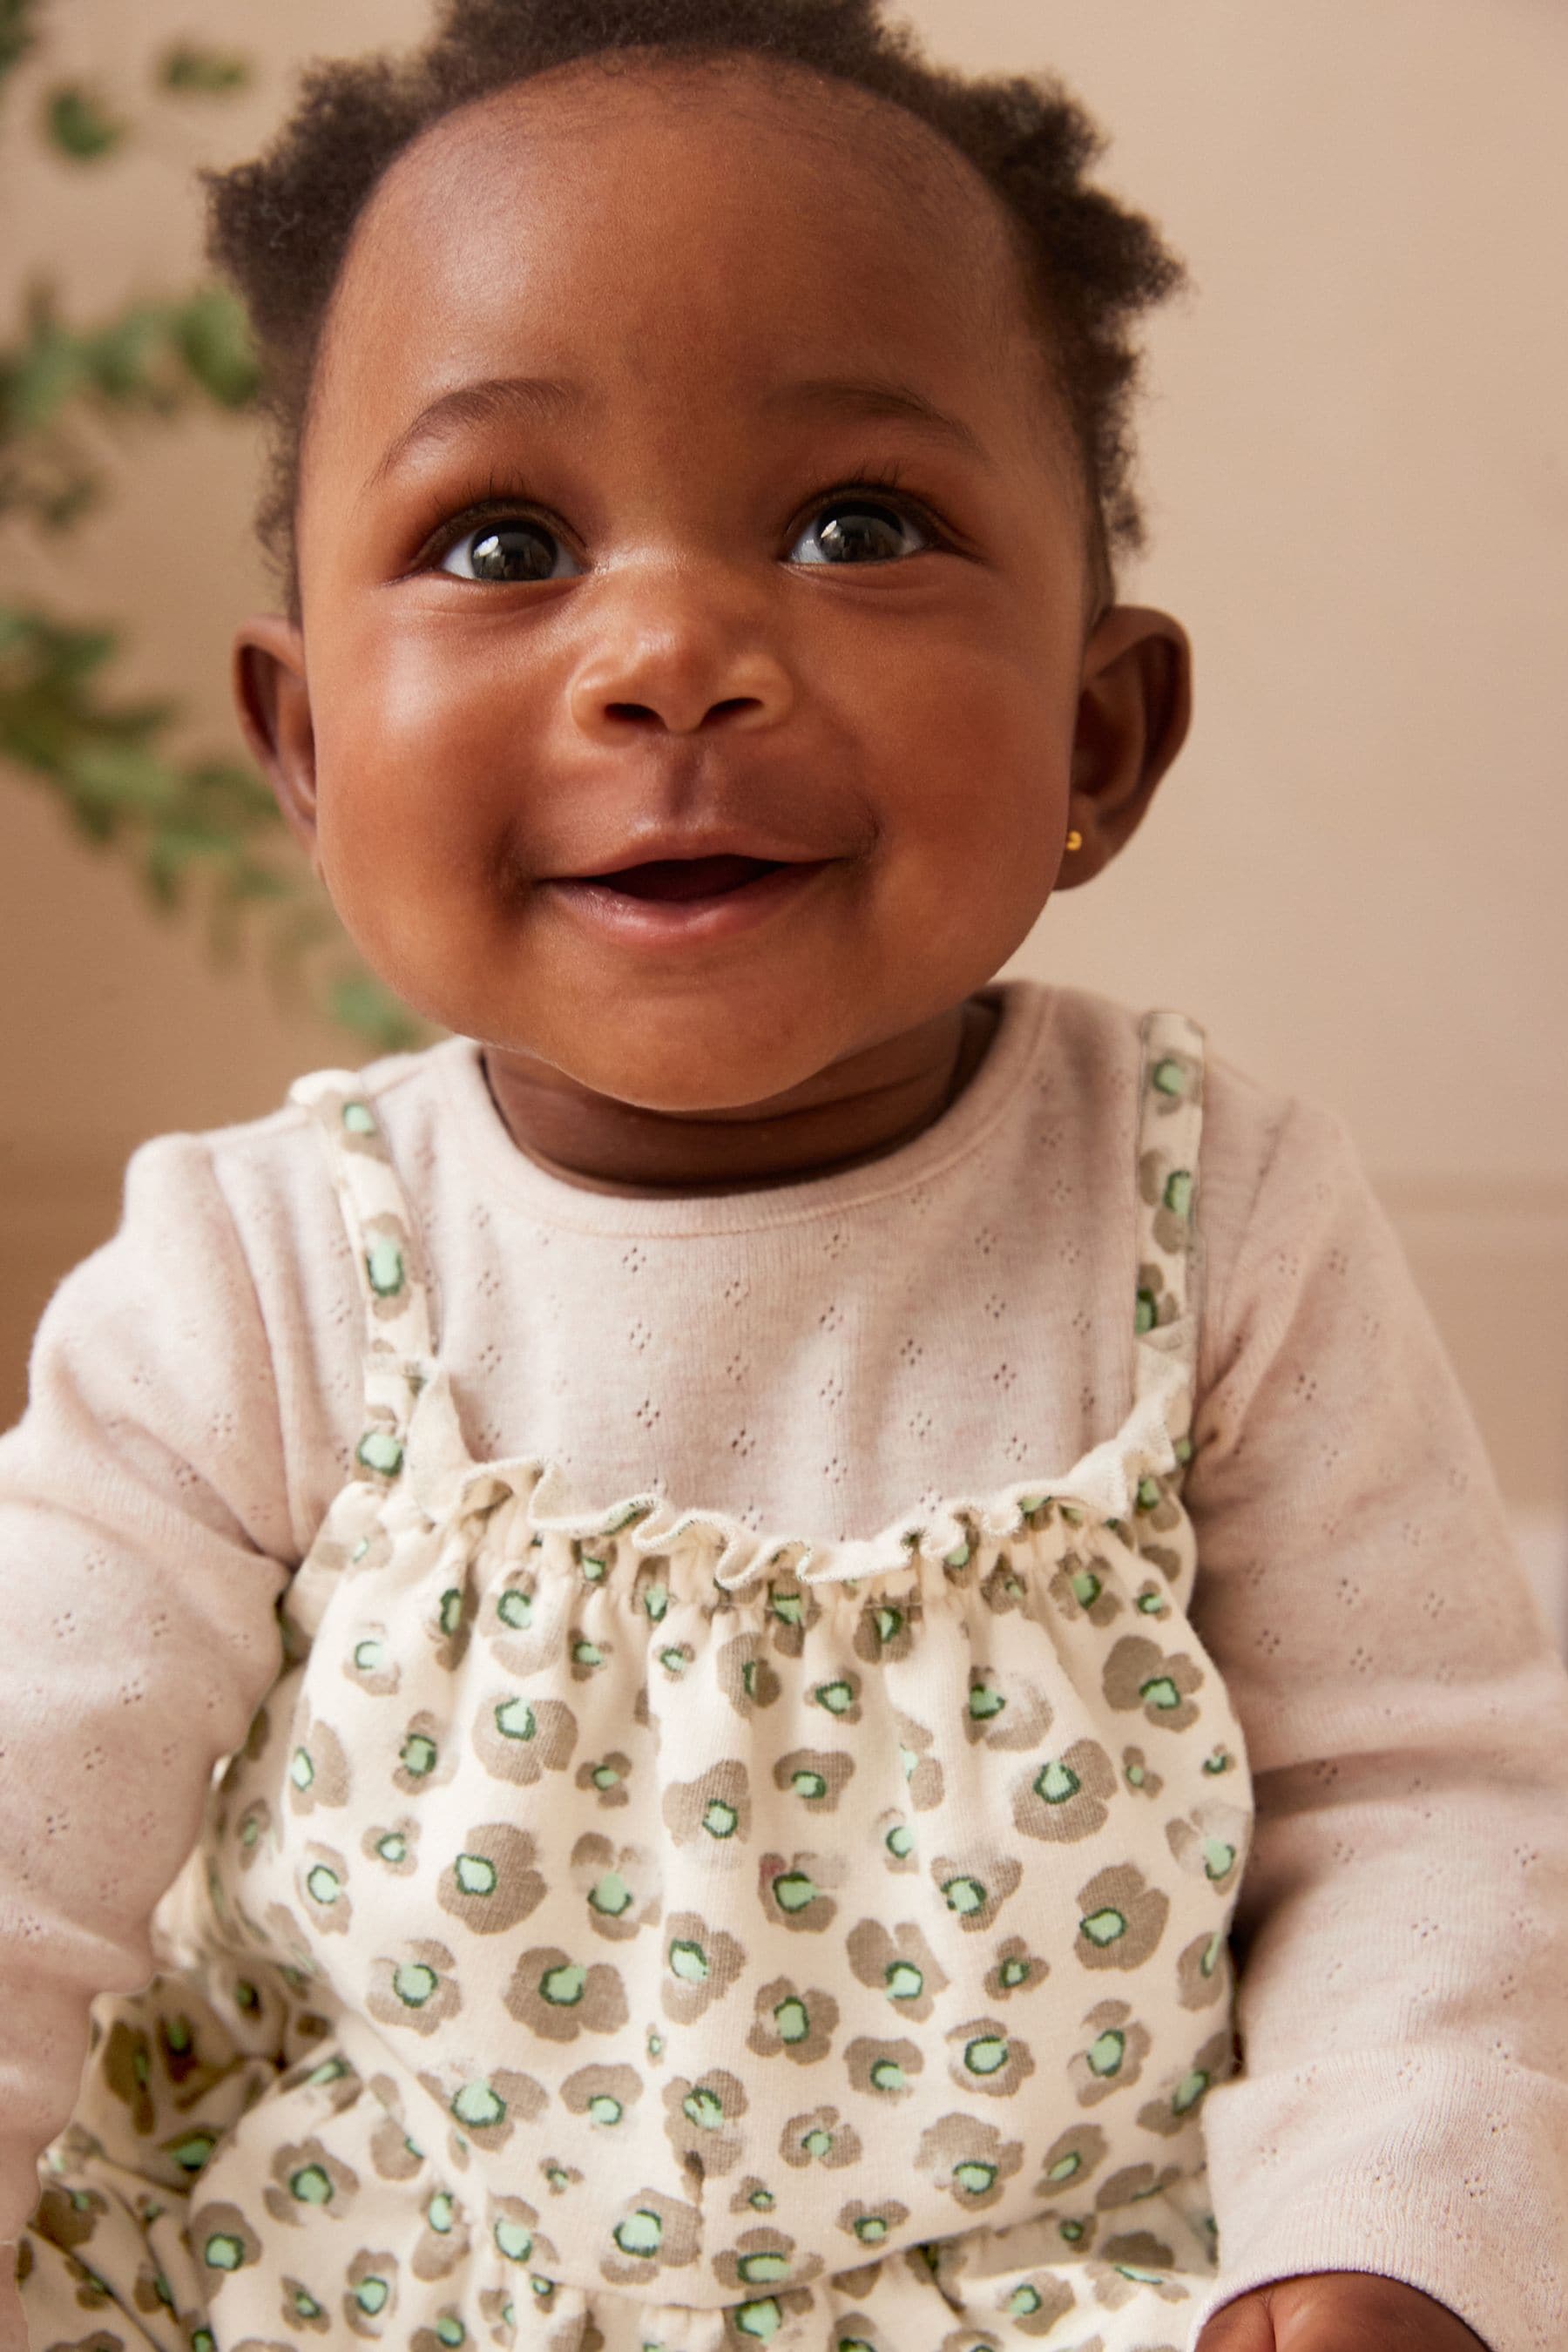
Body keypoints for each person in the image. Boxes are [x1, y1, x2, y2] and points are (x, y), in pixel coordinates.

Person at [3, 2, 1565, 2346]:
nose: (672, 657)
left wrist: (1382, 2229)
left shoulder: (1213, 1215)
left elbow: (1420, 1797)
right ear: (308, 750)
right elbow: (26, 1840)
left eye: (859, 524)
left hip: (1058, 2284)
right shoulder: (256, 1279)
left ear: (1097, 733)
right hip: (358, 2279)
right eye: (503, 538)